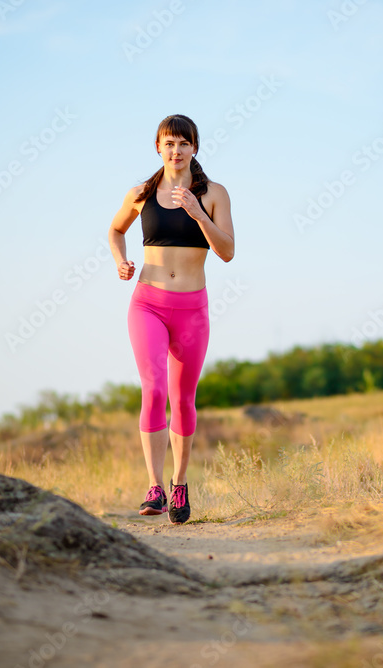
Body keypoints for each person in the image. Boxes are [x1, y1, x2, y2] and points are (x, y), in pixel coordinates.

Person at [108, 114, 235, 525]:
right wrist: (120, 260)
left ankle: (179, 484)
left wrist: (199, 213)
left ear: (194, 148)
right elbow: (115, 230)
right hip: (148, 303)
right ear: (158, 148)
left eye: (183, 143)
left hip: (192, 309)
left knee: (182, 399)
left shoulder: (213, 194)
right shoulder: (141, 194)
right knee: (154, 388)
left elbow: (228, 251)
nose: (175, 151)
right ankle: (155, 486)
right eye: (168, 143)